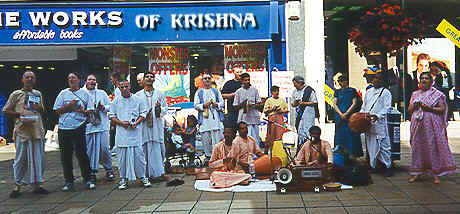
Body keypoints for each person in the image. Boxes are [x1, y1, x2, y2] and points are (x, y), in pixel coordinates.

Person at [2, 71, 49, 198]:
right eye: (27, 77)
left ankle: (37, 185)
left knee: (38, 159)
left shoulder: (37, 94)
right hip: (22, 131)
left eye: (32, 77)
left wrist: (38, 107)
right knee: (20, 159)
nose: (29, 79)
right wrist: (18, 115)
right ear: (22, 79)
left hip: (36, 130)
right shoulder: (16, 94)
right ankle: (17, 186)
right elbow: (6, 110)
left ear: (35, 80)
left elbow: (43, 110)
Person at [408, 72, 456, 184]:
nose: (424, 80)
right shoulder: (415, 94)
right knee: (417, 147)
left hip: (432, 125)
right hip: (417, 125)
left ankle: (436, 174)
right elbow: (409, 110)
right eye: (422, 78)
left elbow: (442, 109)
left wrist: (429, 108)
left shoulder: (437, 94)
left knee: (432, 147)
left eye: (426, 78)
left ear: (431, 81)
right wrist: (415, 105)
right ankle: (416, 173)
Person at [53, 73, 95, 191]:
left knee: (82, 154)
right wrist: (69, 106)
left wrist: (82, 111)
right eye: (69, 78)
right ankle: (69, 181)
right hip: (64, 128)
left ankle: (87, 179)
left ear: (78, 80)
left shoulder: (84, 94)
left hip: (79, 126)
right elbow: (57, 110)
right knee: (65, 156)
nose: (71, 80)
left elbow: (90, 111)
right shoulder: (63, 93)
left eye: (73, 78)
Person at [109, 80, 151, 190]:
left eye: (126, 87)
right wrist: (121, 123)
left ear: (130, 86)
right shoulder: (115, 101)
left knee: (139, 156)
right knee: (122, 158)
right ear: (118, 88)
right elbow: (111, 115)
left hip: (135, 133)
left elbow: (143, 113)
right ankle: (123, 179)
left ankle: (142, 177)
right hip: (122, 134)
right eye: (121, 87)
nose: (124, 89)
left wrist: (136, 123)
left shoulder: (138, 100)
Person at [135, 72, 168, 180]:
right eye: (147, 77)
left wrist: (158, 110)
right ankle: (145, 174)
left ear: (154, 80)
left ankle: (158, 173)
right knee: (144, 147)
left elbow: (165, 109)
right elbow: (135, 111)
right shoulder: (138, 95)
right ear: (143, 80)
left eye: (151, 77)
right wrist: (143, 114)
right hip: (144, 126)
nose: (149, 78)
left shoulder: (160, 94)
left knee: (158, 148)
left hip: (156, 126)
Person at [360, 71, 393, 177]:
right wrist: (361, 116)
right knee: (371, 145)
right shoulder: (368, 92)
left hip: (379, 123)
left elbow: (387, 108)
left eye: (379, 78)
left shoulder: (386, 92)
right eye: (375, 78)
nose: (376, 80)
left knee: (383, 145)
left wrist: (377, 116)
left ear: (383, 81)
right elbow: (364, 106)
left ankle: (388, 167)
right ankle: (373, 166)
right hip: (368, 123)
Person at [84, 74, 115, 182]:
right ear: (86, 81)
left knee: (104, 149)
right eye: (90, 79)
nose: (92, 81)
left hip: (102, 126)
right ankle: (91, 172)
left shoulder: (102, 93)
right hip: (89, 126)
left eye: (94, 80)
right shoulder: (82, 93)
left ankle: (109, 169)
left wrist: (103, 108)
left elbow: (110, 106)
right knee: (89, 150)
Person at [194, 72, 224, 163]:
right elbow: (195, 105)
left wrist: (216, 104)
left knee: (217, 138)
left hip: (215, 119)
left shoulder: (216, 91)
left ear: (211, 80)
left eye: (208, 78)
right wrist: (204, 105)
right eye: (205, 78)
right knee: (205, 138)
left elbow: (222, 103)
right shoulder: (199, 92)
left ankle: (217, 156)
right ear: (202, 81)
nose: (207, 80)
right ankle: (208, 157)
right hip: (205, 120)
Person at [332, 75, 363, 158]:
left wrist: (346, 113)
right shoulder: (337, 92)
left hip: (350, 116)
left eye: (343, 81)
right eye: (340, 81)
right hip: (340, 117)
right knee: (340, 135)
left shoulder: (352, 91)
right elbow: (334, 103)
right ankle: (340, 153)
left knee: (351, 135)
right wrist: (341, 114)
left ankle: (352, 154)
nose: (341, 83)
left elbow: (354, 103)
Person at [233, 73, 263, 147]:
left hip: (254, 118)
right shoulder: (238, 92)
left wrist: (252, 105)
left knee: (255, 138)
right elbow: (235, 106)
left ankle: (256, 153)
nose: (247, 82)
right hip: (244, 119)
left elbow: (259, 104)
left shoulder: (254, 90)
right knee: (246, 138)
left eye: (248, 80)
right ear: (242, 81)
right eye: (245, 80)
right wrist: (243, 104)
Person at [291, 76, 318, 149]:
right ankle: (301, 150)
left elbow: (314, 102)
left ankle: (310, 149)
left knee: (308, 132)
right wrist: (295, 103)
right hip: (299, 116)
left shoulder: (309, 90)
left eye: (295, 84)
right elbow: (292, 104)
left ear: (300, 83)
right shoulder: (295, 92)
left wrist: (303, 103)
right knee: (300, 133)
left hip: (308, 115)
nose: (294, 86)